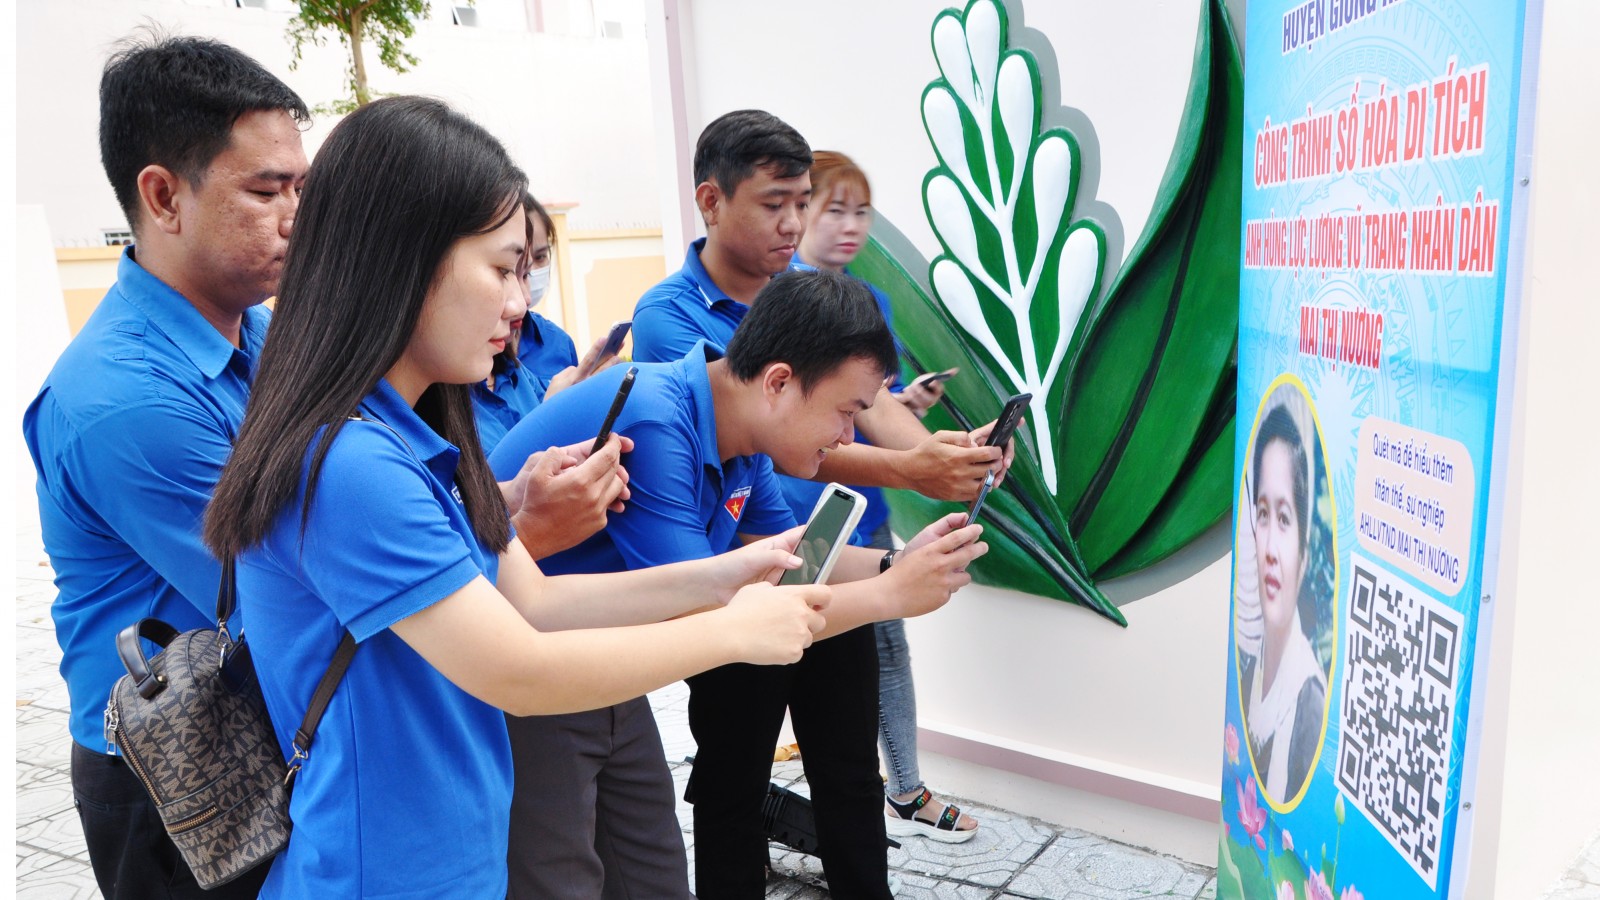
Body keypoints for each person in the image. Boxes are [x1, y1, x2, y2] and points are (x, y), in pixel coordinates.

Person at [200, 95, 830, 899]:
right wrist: (732, 632)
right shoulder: (353, 465)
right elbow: (521, 671)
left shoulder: (414, 439)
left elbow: (537, 602)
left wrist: (724, 579)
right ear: (404, 259)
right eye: (501, 268)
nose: (519, 303)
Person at [495, 269, 992, 899]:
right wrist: (889, 595)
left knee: (653, 873)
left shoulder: (742, 432)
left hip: (600, 663)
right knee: (564, 878)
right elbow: (705, 619)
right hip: (528, 670)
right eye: (846, 413)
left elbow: (787, 562)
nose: (847, 439)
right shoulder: (657, 421)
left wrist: (900, 564)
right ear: (779, 382)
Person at [23, 34, 310, 898]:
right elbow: (296, 577)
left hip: (259, 714)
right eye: (266, 190)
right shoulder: (123, 399)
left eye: (302, 188)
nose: (296, 216)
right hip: (173, 766)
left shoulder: (259, 332)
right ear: (162, 196)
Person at [795, 150, 979, 842]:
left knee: (884, 649)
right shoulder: (777, 301)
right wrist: (919, 460)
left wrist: (917, 423)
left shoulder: (872, 302)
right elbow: (801, 427)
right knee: (790, 660)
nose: (850, 226)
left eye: (861, 211)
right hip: (793, 518)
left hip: (862, 509)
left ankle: (901, 788)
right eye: (833, 209)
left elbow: (871, 405)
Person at [1239, 394, 1327, 803]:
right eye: (1263, 514)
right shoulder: (1249, 673)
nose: (1271, 548)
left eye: (1285, 518)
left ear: (1304, 556)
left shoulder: (1308, 706)